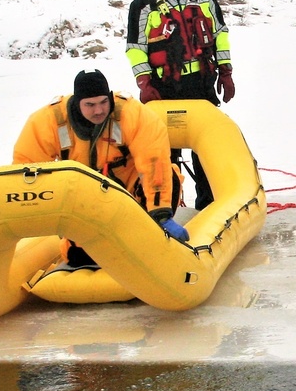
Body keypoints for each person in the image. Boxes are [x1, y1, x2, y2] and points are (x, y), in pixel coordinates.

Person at [13, 70, 189, 265]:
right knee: (78, 258)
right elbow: (26, 171)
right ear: (77, 102)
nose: (98, 110)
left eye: (103, 102)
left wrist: (161, 213)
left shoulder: (131, 114)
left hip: (131, 193)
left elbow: (154, 162)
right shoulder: (50, 120)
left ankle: (150, 235)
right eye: (90, 105)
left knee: (166, 184)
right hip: (87, 199)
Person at [126, 0, 233, 210]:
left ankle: (208, 206)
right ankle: (165, 207)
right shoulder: (143, 4)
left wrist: (226, 71)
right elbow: (135, 48)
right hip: (165, 87)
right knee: (165, 151)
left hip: (201, 83)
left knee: (204, 148)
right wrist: (144, 82)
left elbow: (219, 34)